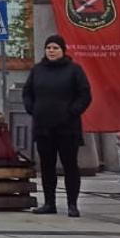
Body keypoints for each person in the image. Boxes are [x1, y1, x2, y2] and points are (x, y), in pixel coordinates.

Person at [22, 34, 92, 217]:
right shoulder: (37, 70)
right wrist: (32, 108)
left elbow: (85, 95)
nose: (51, 51)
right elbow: (27, 92)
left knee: (70, 166)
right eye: (49, 48)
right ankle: (49, 203)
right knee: (47, 166)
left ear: (63, 50)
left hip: (67, 128)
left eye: (55, 48)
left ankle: (72, 204)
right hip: (44, 127)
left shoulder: (74, 70)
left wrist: (72, 111)